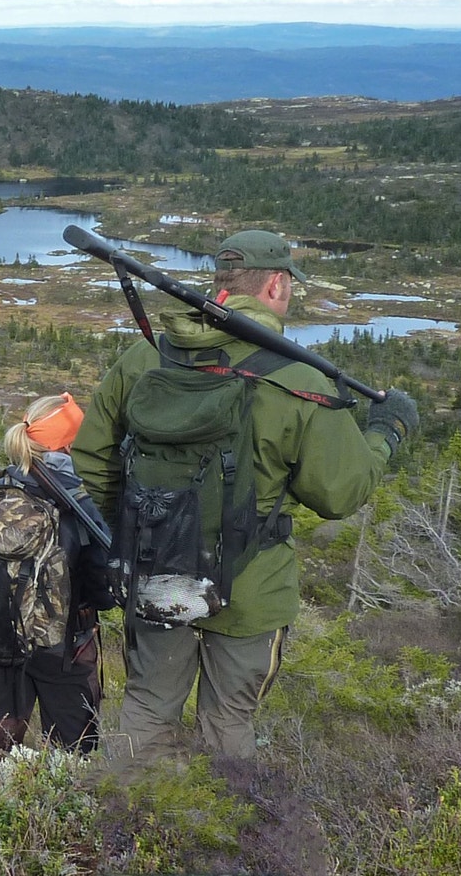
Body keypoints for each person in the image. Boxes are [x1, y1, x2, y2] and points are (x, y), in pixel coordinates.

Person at [70, 230, 418, 759]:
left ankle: (124, 826)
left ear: (223, 279)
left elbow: (93, 455)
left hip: (155, 572)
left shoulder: (145, 360)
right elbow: (340, 493)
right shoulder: (301, 381)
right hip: (252, 588)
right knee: (229, 719)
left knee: (145, 705)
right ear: (277, 283)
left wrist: (143, 528)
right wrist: (385, 432)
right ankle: (228, 833)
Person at [0, 392, 117, 761]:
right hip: (66, 645)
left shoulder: (1, 488)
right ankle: (62, 811)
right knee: (74, 748)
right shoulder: (77, 500)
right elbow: (104, 585)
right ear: (71, 443)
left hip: (1, 639)